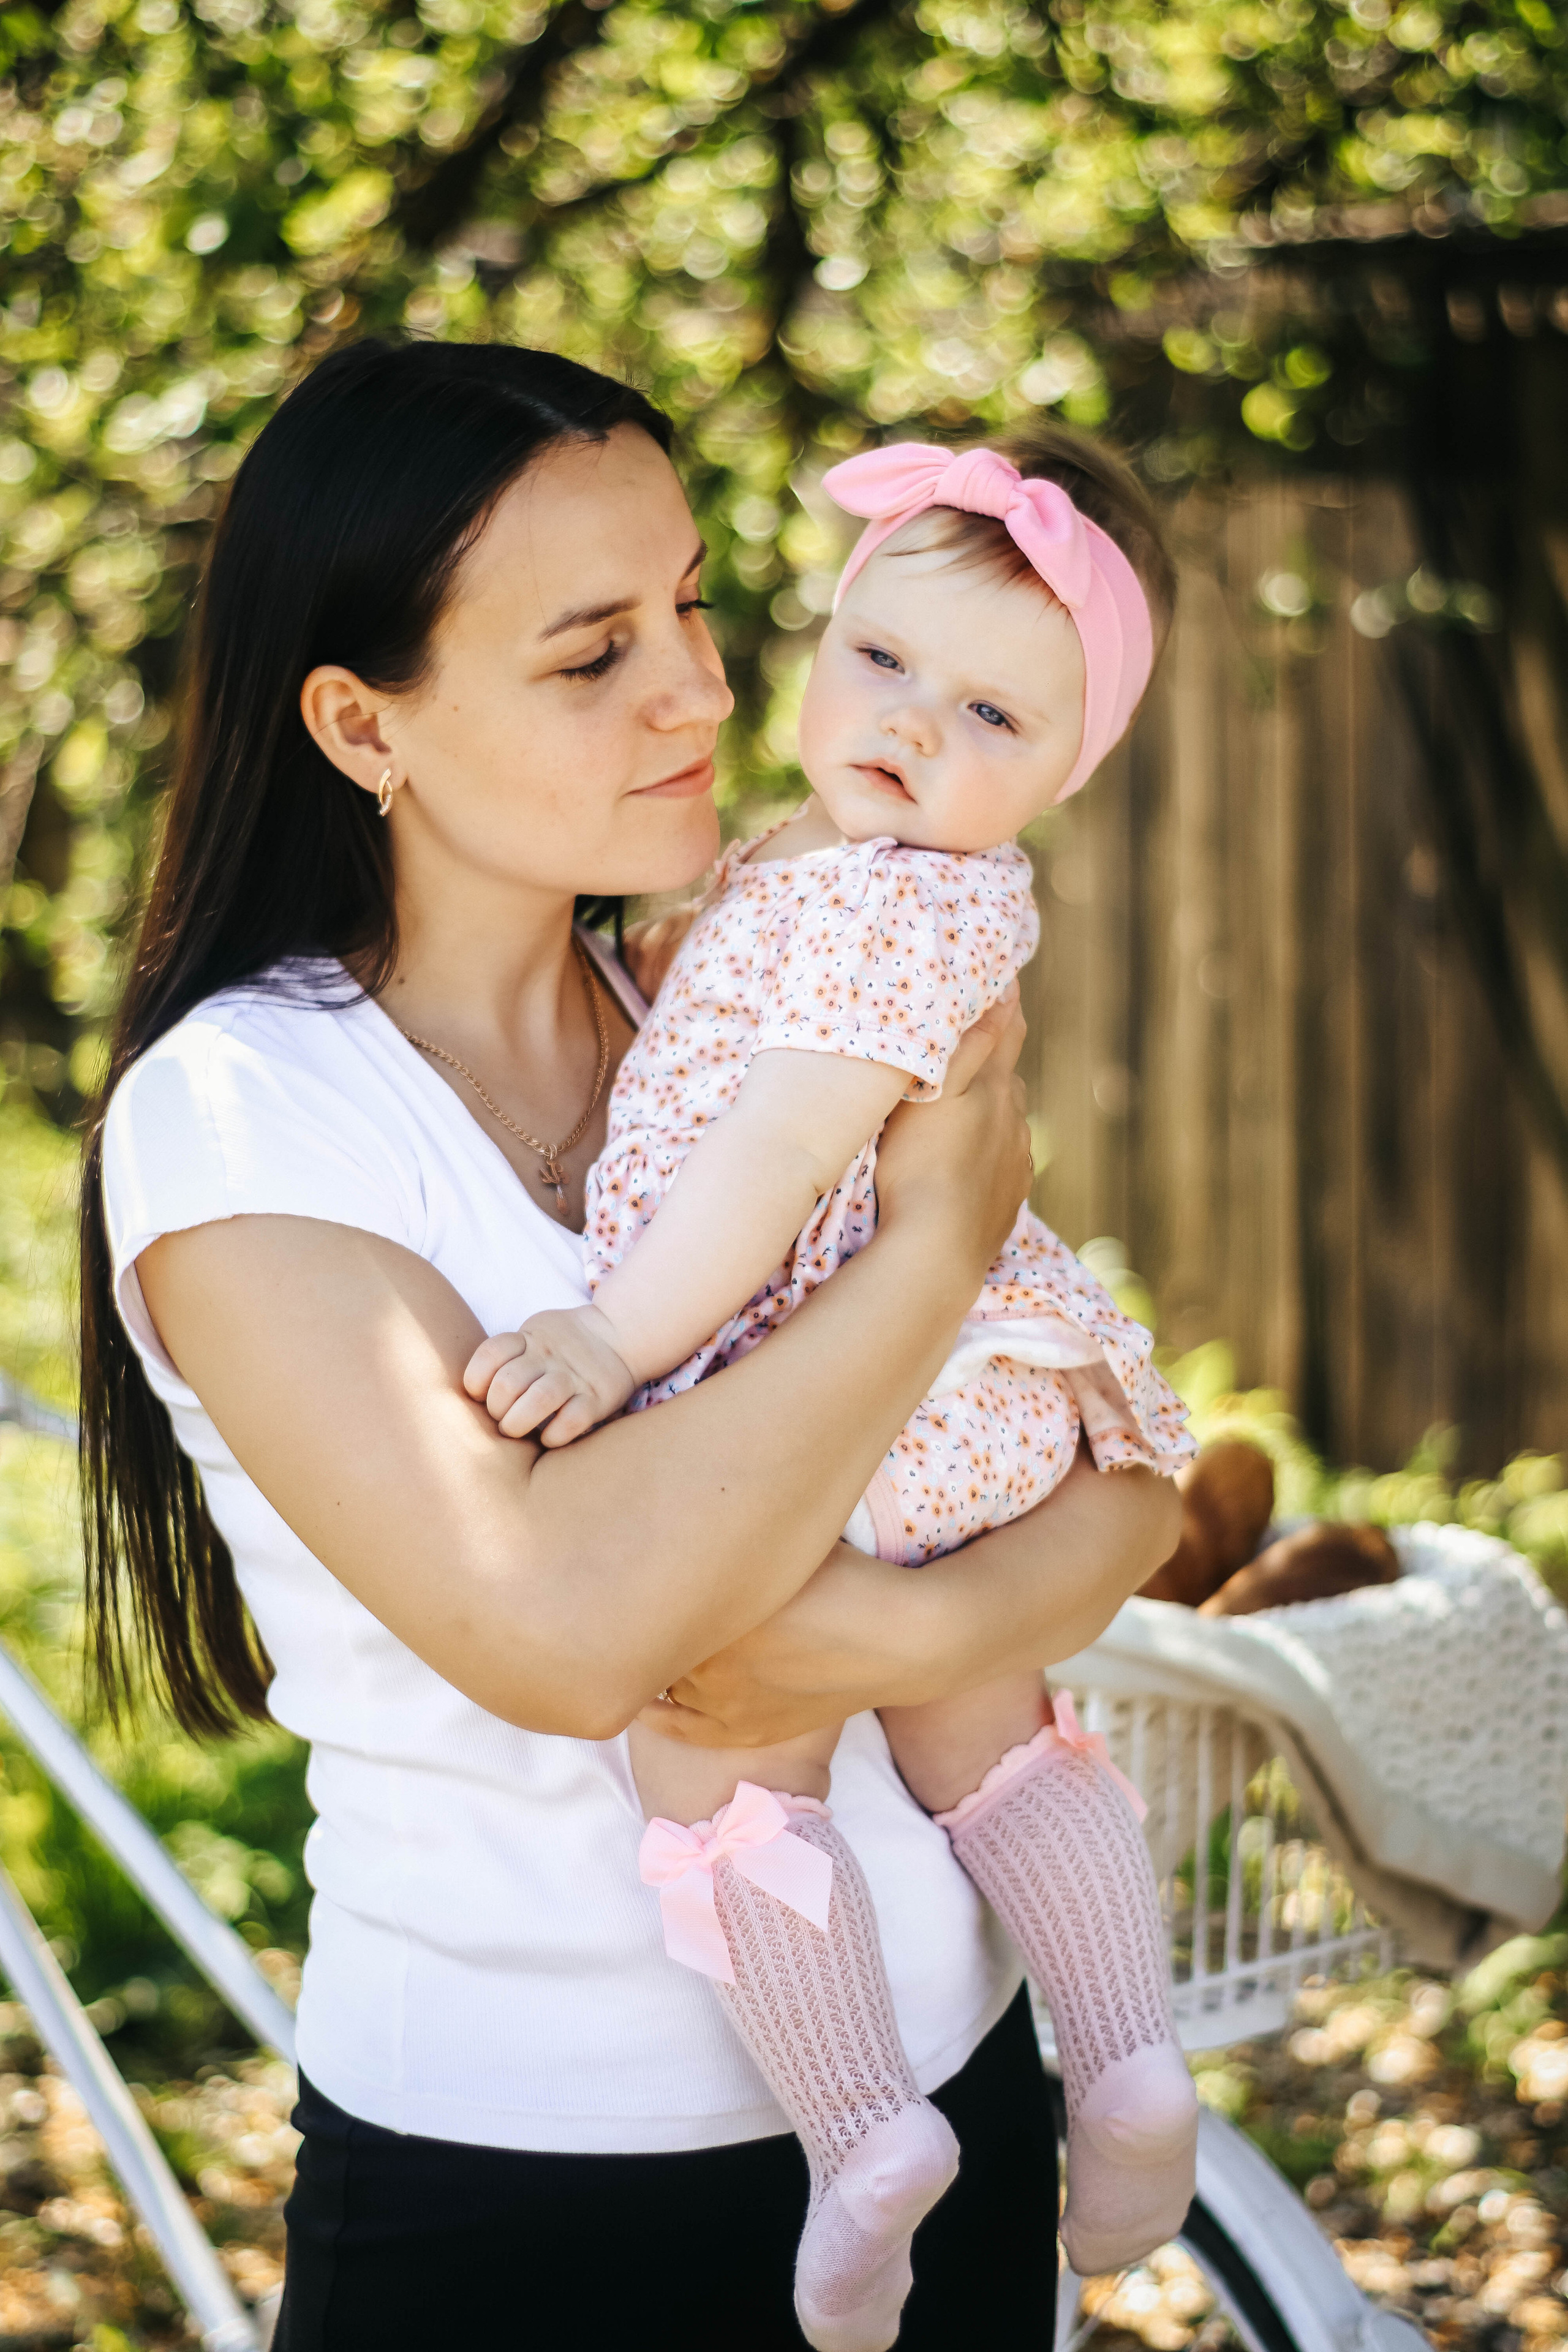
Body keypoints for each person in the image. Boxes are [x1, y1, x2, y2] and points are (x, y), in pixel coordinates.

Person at [80, 338, 1180, 2350]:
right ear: (361, 722)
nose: (699, 686)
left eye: (688, 603)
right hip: (532, 2195)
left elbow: (1117, 1500)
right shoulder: (251, 1121)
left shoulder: (738, 1006)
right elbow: (577, 1632)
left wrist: (903, 1640)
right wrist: (929, 1244)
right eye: (592, 655)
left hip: (954, 2103)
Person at [469, 429, 1199, 2351]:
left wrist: (609, 1341)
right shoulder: (843, 875)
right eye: (879, 661)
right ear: (830, 633)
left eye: (987, 713)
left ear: (1064, 769)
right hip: (979, 1408)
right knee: (999, 1741)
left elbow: (775, 1162)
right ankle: (1127, 2068)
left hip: (844, 1387)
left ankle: (864, 2128)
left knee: (717, 1761)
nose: (907, 725)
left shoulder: (878, 900)